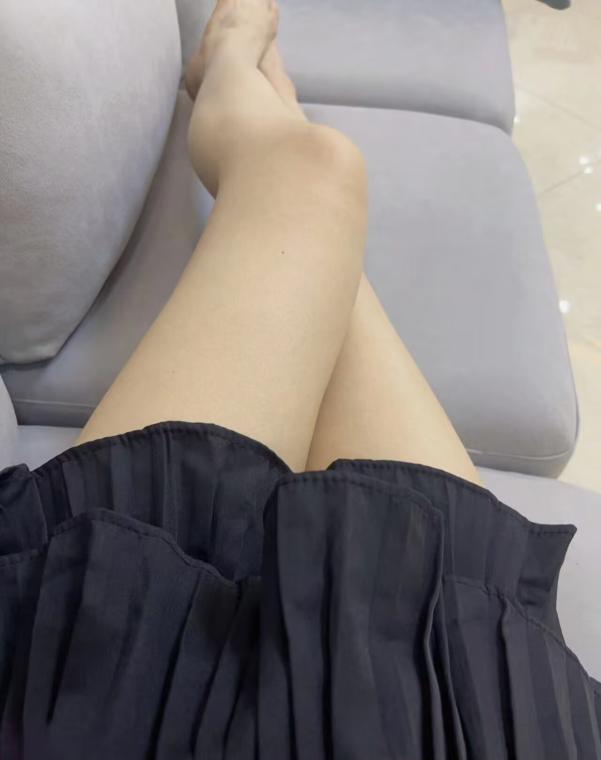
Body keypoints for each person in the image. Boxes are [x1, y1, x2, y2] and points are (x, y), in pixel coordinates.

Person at [0, 1, 598, 757]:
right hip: (455, 726)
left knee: (318, 176)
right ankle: (268, 111)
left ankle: (238, 78)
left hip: (109, 702)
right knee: (323, 203)